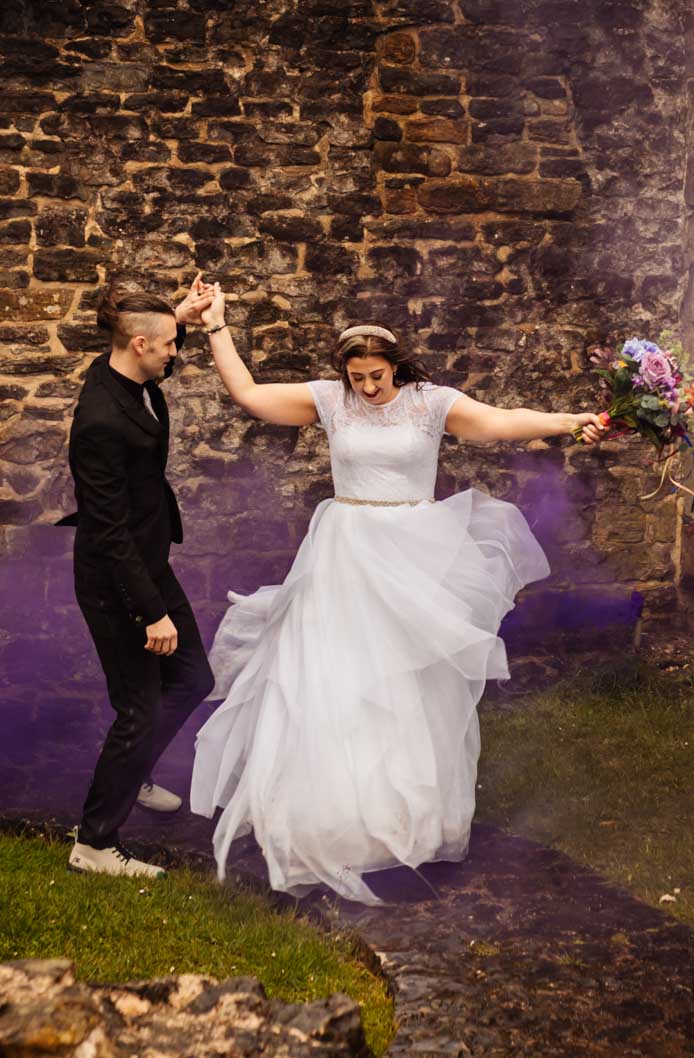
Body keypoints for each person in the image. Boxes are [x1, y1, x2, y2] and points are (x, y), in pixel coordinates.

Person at [186, 279, 608, 903]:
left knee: (408, 683)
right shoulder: (330, 400)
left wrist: (569, 421)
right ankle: (326, 819)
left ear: (397, 366)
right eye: (357, 376)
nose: (368, 387)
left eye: (377, 374)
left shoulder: (430, 402)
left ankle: (403, 822)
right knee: (332, 679)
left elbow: (498, 424)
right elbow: (249, 396)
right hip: (345, 549)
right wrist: (216, 325)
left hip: (412, 549)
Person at [58, 280, 217, 879]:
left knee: (194, 677)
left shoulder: (130, 370)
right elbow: (106, 531)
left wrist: (180, 315)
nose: (177, 353)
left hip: (149, 561)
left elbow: (153, 346)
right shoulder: (99, 419)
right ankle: (95, 843)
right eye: (171, 344)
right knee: (139, 708)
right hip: (116, 579)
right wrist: (151, 612)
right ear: (142, 345)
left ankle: (134, 775)